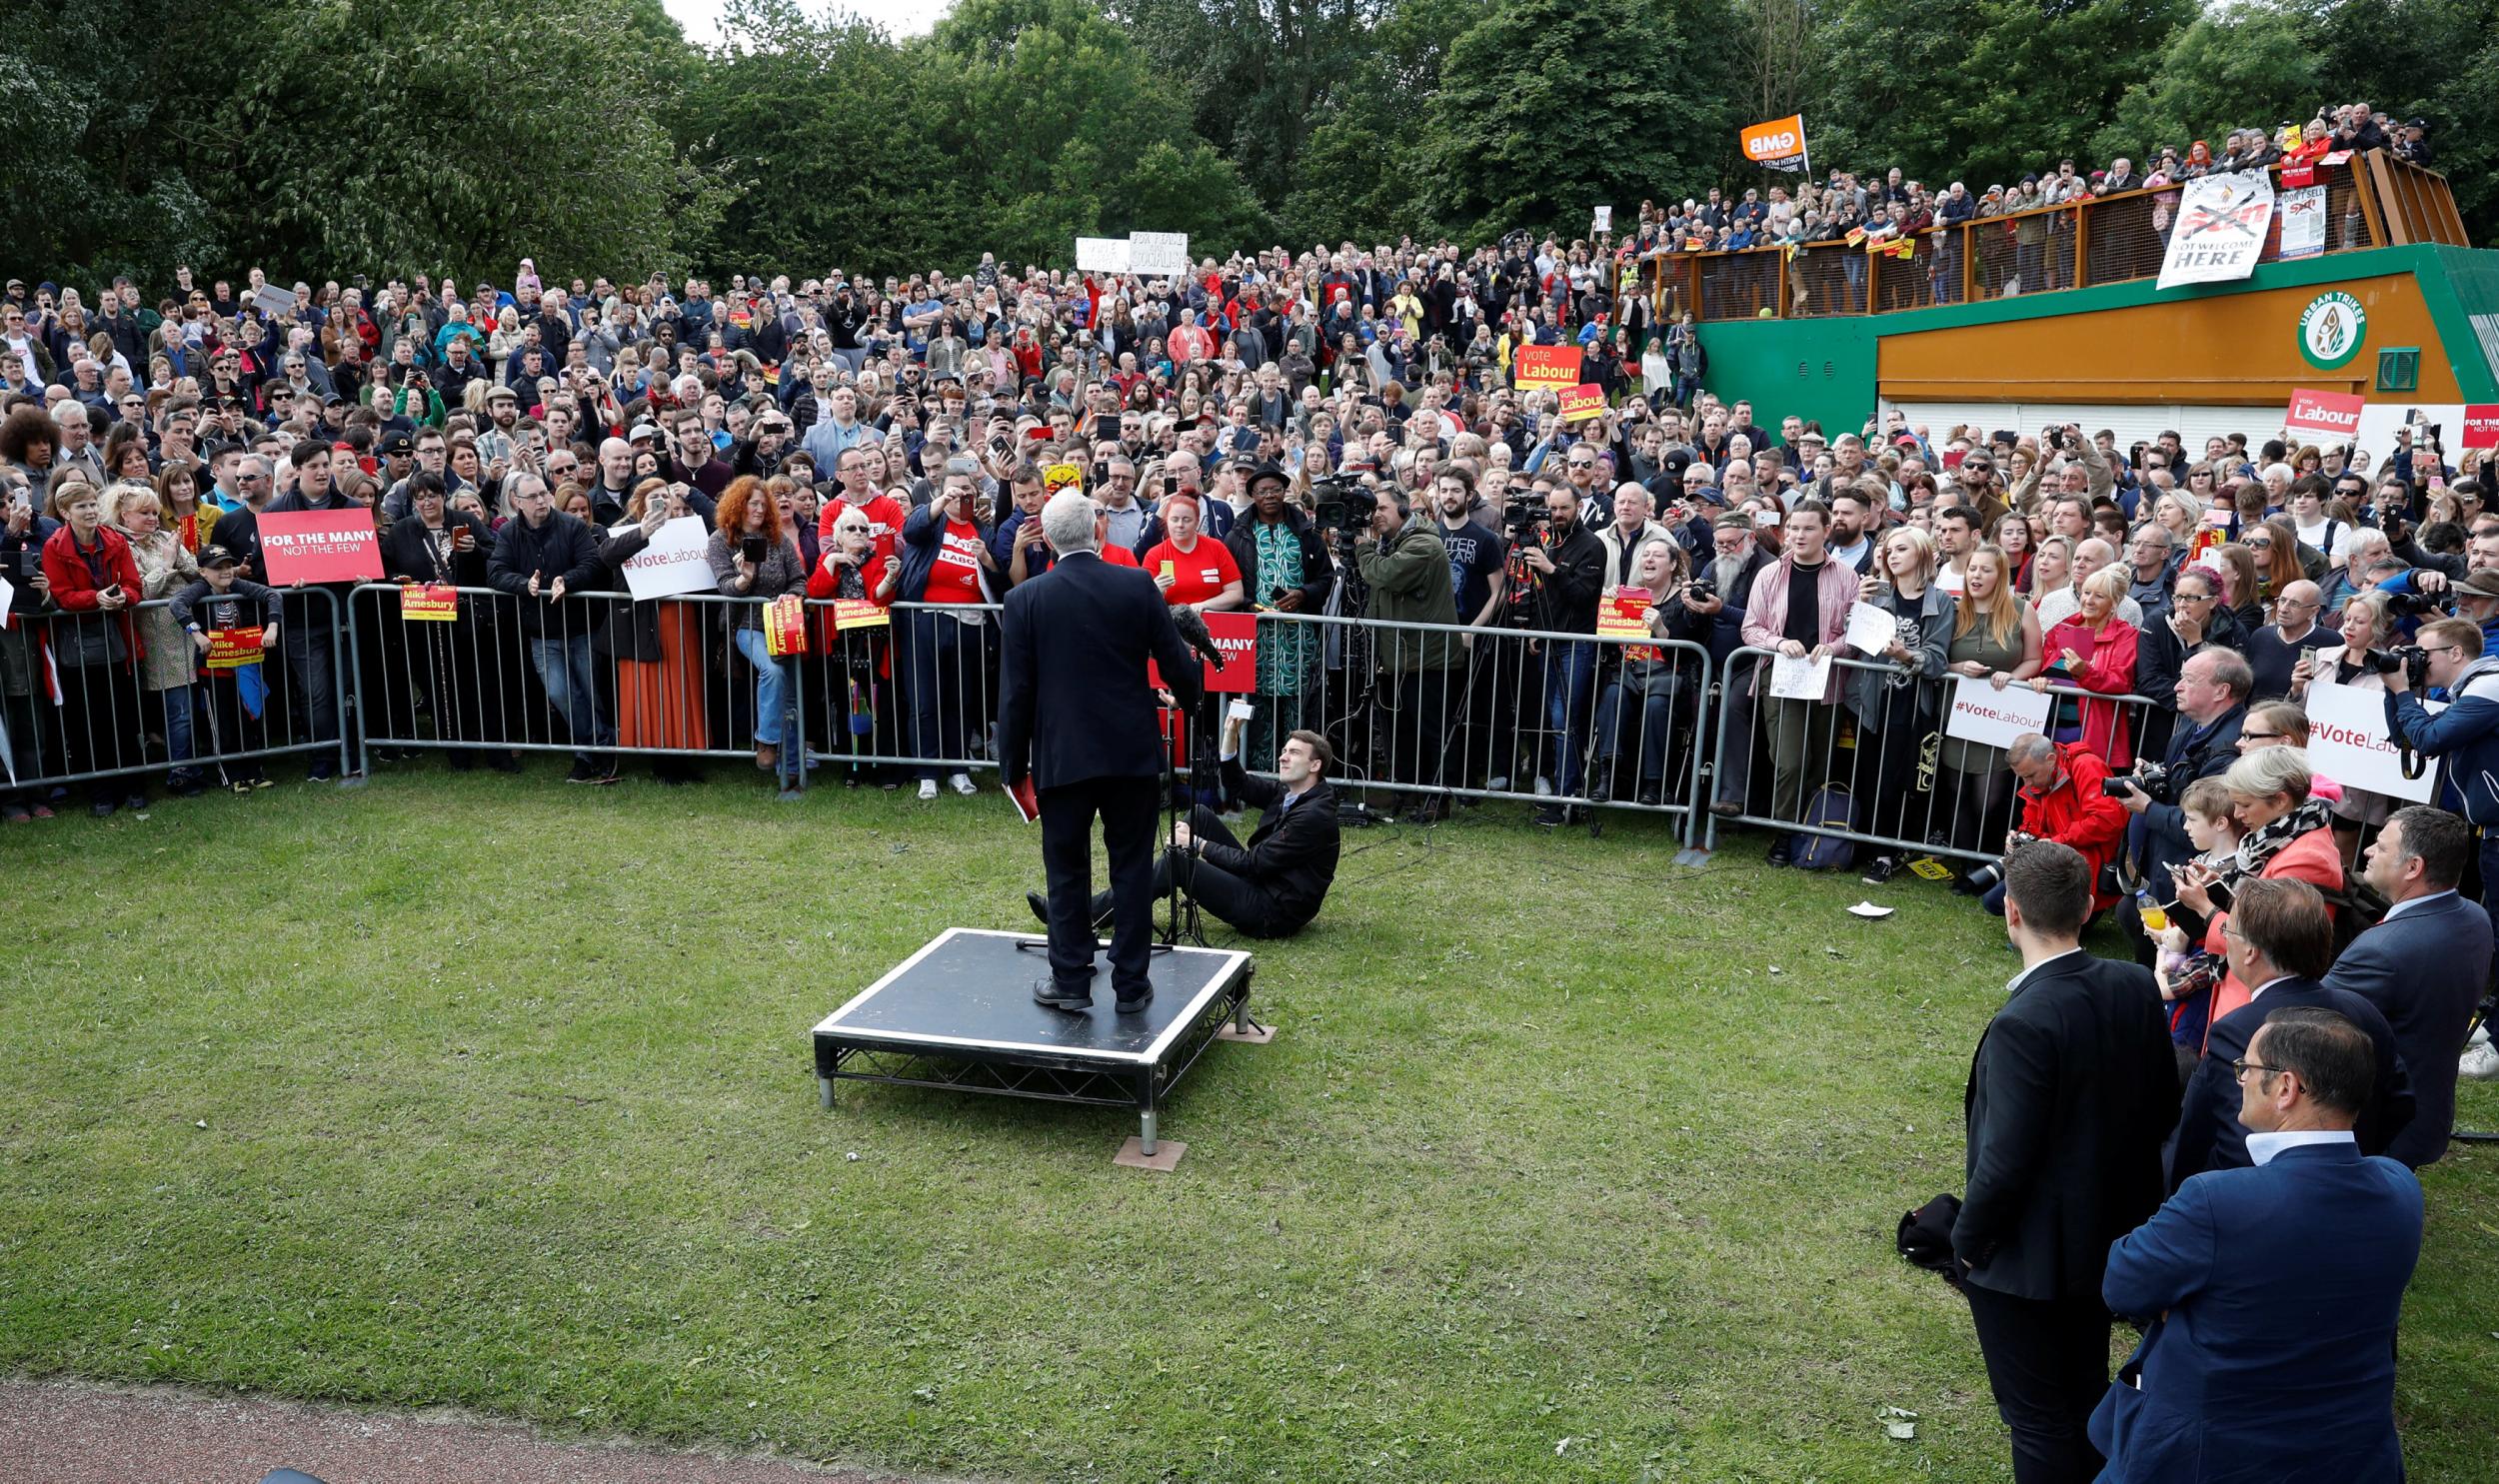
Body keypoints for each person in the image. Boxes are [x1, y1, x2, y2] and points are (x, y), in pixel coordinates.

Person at [2090, 1007, 2424, 1483]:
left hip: (2209, 1458)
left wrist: (2188, 1304)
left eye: (2247, 1068)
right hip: (2348, 1454)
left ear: (2286, 1088)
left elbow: (2123, 1284)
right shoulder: (2401, 1190)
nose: (2240, 1078)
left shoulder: (2217, 1201)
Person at [1954, 840, 2180, 1484]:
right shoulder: (2136, 985)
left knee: (2038, 1419)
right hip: (2107, 1238)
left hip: (2028, 1261)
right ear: (2086, 908)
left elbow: (2004, 1161)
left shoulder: (2025, 1022)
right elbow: (2161, 1107)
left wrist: (1968, 1244)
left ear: (2012, 913)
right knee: (2083, 1395)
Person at [999, 490, 1201, 1012]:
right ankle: (1131, 985)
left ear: (1045, 538)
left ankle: (1070, 979)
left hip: (1062, 756)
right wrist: (1194, 700)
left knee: (1066, 870)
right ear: (1097, 531)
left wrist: (1011, 766)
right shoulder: (1136, 584)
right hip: (1128, 750)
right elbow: (1176, 660)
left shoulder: (1026, 599)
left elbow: (1016, 693)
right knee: (1131, 869)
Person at [2167, 877, 2414, 1189]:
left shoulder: (2240, 1032)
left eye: (2228, 929)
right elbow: (2401, 1103)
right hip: (2350, 1183)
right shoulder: (2363, 1010)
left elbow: (2236, 1148)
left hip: (2264, 1205)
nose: (2224, 937)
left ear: (2250, 952)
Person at [1036, 728, 1343, 941]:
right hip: (1263, 883)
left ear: (1315, 765)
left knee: (1177, 863)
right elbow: (1238, 784)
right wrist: (1230, 733)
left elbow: (1254, 863)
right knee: (1200, 815)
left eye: (1293, 753)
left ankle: (1082, 913)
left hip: (1273, 912)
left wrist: (1196, 845)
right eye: (1283, 751)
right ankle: (1149, 877)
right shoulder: (1292, 792)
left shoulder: (1313, 816)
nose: (1283, 757)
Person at [2324, 805, 2493, 1167]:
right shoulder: (2475, 919)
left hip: (2378, 1126)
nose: (2368, 850)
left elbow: (2309, 1018)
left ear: (2413, 867)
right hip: (2426, 1113)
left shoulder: (2381, 951)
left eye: (2381, 847)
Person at [2171, 747, 2345, 1028]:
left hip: (2257, 999)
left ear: (2279, 800)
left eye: (2246, 805)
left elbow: (2264, 942)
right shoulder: (2278, 836)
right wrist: (2221, 882)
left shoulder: (2307, 858)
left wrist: (2204, 907)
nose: (2238, 814)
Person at [1740, 501, 1859, 862]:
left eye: (1808, 528)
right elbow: (1750, 628)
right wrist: (1779, 642)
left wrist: (1834, 646)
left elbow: (1856, 632)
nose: (1799, 535)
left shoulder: (1846, 575)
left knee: (1820, 763)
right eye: (1793, 528)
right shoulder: (1770, 574)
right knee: (1789, 761)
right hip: (1782, 676)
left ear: (1826, 531)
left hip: (1827, 679)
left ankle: (1810, 836)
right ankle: (1783, 834)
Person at [2383, 615, 2499, 962]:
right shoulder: (2468, 690)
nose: (2417, 661)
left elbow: (2432, 740)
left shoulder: (2489, 685)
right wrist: (2394, 692)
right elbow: (2406, 739)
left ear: (2456, 653)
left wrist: (2403, 691)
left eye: (2423, 654)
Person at [487, 471, 615, 783]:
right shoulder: (508, 534)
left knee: (591, 693)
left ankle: (588, 757)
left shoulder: (571, 525)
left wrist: (565, 581)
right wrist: (523, 584)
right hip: (541, 632)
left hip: (582, 626)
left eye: (544, 493)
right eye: (533, 497)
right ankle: (600, 746)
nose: (542, 500)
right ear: (517, 502)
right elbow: (495, 572)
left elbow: (591, 562)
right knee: (561, 694)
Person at [1354, 481, 1462, 822]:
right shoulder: (1392, 542)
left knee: (1430, 732)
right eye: (1372, 510)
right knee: (1401, 733)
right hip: (1399, 658)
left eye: (1381, 508)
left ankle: (1436, 798)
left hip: (1426, 659)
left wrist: (1361, 548)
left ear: (1404, 509)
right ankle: (1406, 792)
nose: (1375, 516)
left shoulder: (1422, 545)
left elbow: (1385, 575)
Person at [709, 474, 810, 788]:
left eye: (763, 503)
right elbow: (726, 587)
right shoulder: (720, 540)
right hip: (746, 625)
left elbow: (799, 579)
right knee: (772, 671)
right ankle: (766, 741)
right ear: (738, 505)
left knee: (792, 697)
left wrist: (792, 595)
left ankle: (792, 770)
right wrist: (744, 578)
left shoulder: (777, 539)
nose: (760, 509)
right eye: (754, 503)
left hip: (783, 622)